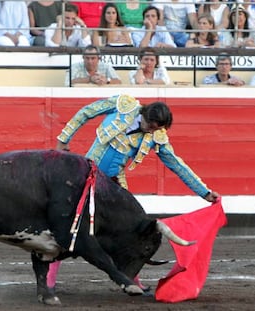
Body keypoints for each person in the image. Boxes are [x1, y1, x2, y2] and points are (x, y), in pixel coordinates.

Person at [48, 95, 220, 294]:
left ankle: (131, 279)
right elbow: (86, 112)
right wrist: (63, 139)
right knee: (69, 225)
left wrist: (204, 192)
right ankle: (49, 280)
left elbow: (176, 164)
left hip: (114, 184)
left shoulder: (156, 136)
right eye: (150, 125)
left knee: (131, 232)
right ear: (144, 114)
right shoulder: (123, 105)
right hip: (86, 176)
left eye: (156, 128)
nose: (151, 130)